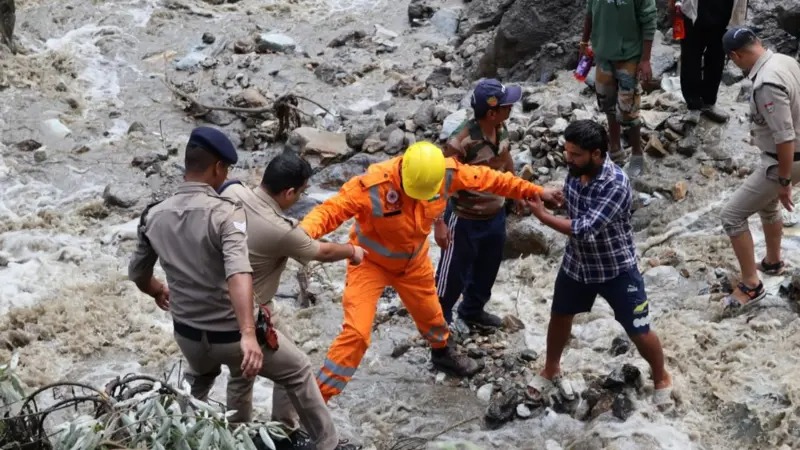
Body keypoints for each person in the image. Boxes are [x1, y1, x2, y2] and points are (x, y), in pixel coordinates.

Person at [128, 126, 356, 450]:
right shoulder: (226, 214)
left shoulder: (152, 215)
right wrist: (248, 334)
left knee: (207, 376)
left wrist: (156, 290)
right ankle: (326, 444)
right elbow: (238, 273)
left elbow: (137, 274)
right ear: (219, 168)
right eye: (228, 169)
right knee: (297, 369)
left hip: (187, 334)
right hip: (229, 334)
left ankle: (194, 437)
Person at [299, 141, 563, 402]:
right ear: (402, 174)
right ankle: (317, 400)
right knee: (356, 334)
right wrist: (299, 236)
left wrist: (536, 191)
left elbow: (492, 179)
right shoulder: (372, 186)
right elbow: (329, 211)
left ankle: (442, 352)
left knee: (434, 317)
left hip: (413, 263)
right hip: (369, 264)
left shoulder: (445, 174)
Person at [219, 151, 366, 438]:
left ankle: (247, 435)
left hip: (213, 303)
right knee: (294, 369)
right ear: (288, 192)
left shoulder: (232, 190)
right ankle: (311, 439)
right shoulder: (281, 229)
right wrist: (353, 251)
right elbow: (320, 251)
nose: (299, 198)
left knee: (243, 372)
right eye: (300, 193)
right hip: (248, 314)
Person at [525, 120, 672, 406]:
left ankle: (661, 376)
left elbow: (585, 227)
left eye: (576, 154)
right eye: (567, 152)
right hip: (578, 263)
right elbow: (576, 205)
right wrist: (558, 201)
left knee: (639, 329)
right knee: (560, 315)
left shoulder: (616, 183)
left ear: (596, 153)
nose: (569, 159)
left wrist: (543, 217)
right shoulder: (575, 171)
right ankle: (551, 367)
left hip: (615, 267)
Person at [719, 27, 800, 314]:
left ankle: (752, 284)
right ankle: (773, 261)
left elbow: (784, 135)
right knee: (766, 206)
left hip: (785, 158)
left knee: (731, 215)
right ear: (759, 42)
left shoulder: (765, 83)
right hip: (784, 155)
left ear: (735, 55)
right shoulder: (785, 60)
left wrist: (784, 179)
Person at [434, 78, 523, 330]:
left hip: (495, 213)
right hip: (464, 218)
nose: (511, 110)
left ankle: (472, 310)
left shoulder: (501, 129)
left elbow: (506, 160)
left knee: (487, 268)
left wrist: (515, 192)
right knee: (451, 276)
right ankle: (439, 324)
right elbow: (441, 183)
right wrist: (439, 223)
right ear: (492, 112)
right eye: (507, 106)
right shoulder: (459, 143)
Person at [580, 0, 657, 177]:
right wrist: (584, 43)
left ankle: (637, 154)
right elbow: (590, 14)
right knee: (607, 103)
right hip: (603, 55)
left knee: (628, 108)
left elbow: (649, 21)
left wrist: (645, 60)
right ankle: (615, 149)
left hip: (629, 56)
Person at [668, 0, 735, 124]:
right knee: (690, 58)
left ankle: (709, 102)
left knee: (717, 57)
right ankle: (693, 105)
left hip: (723, 11)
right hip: (693, 11)